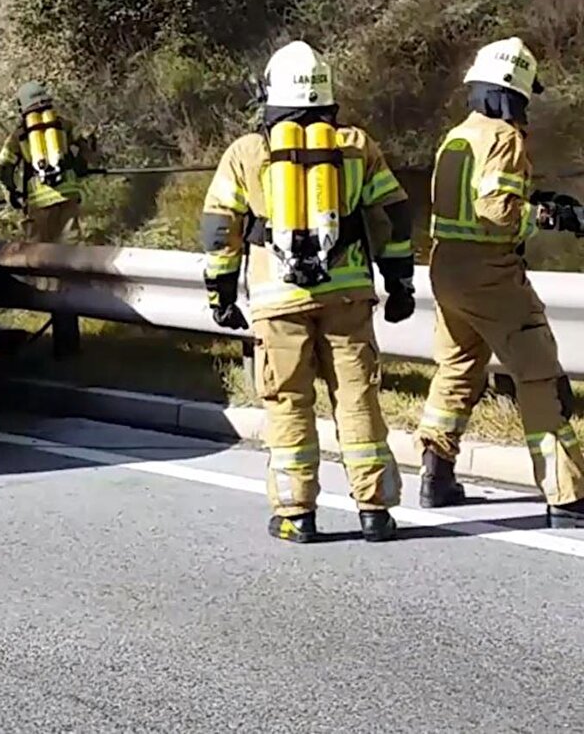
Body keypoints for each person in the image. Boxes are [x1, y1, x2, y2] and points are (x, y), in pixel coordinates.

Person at [200, 41, 415, 544]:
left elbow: (218, 229)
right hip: (348, 299)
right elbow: (393, 215)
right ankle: (375, 512)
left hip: (278, 303)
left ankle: (297, 516)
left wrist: (221, 293)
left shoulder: (248, 153)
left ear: (270, 91)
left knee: (289, 403)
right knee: (358, 399)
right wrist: (398, 280)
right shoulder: (358, 146)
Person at [415, 37, 584, 526]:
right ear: (515, 90)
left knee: (458, 368)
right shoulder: (505, 138)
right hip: (491, 273)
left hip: (447, 270)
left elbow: (472, 201)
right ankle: (567, 494)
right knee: (537, 373)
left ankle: (436, 474)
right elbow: (496, 211)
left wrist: (539, 200)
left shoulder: (459, 135)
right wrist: (551, 216)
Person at [0, 81, 94, 244]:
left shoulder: (19, 135)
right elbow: (87, 139)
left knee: (38, 252)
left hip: (38, 202)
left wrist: (10, 191)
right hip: (67, 194)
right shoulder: (63, 124)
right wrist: (81, 163)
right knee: (71, 248)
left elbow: (2, 165)